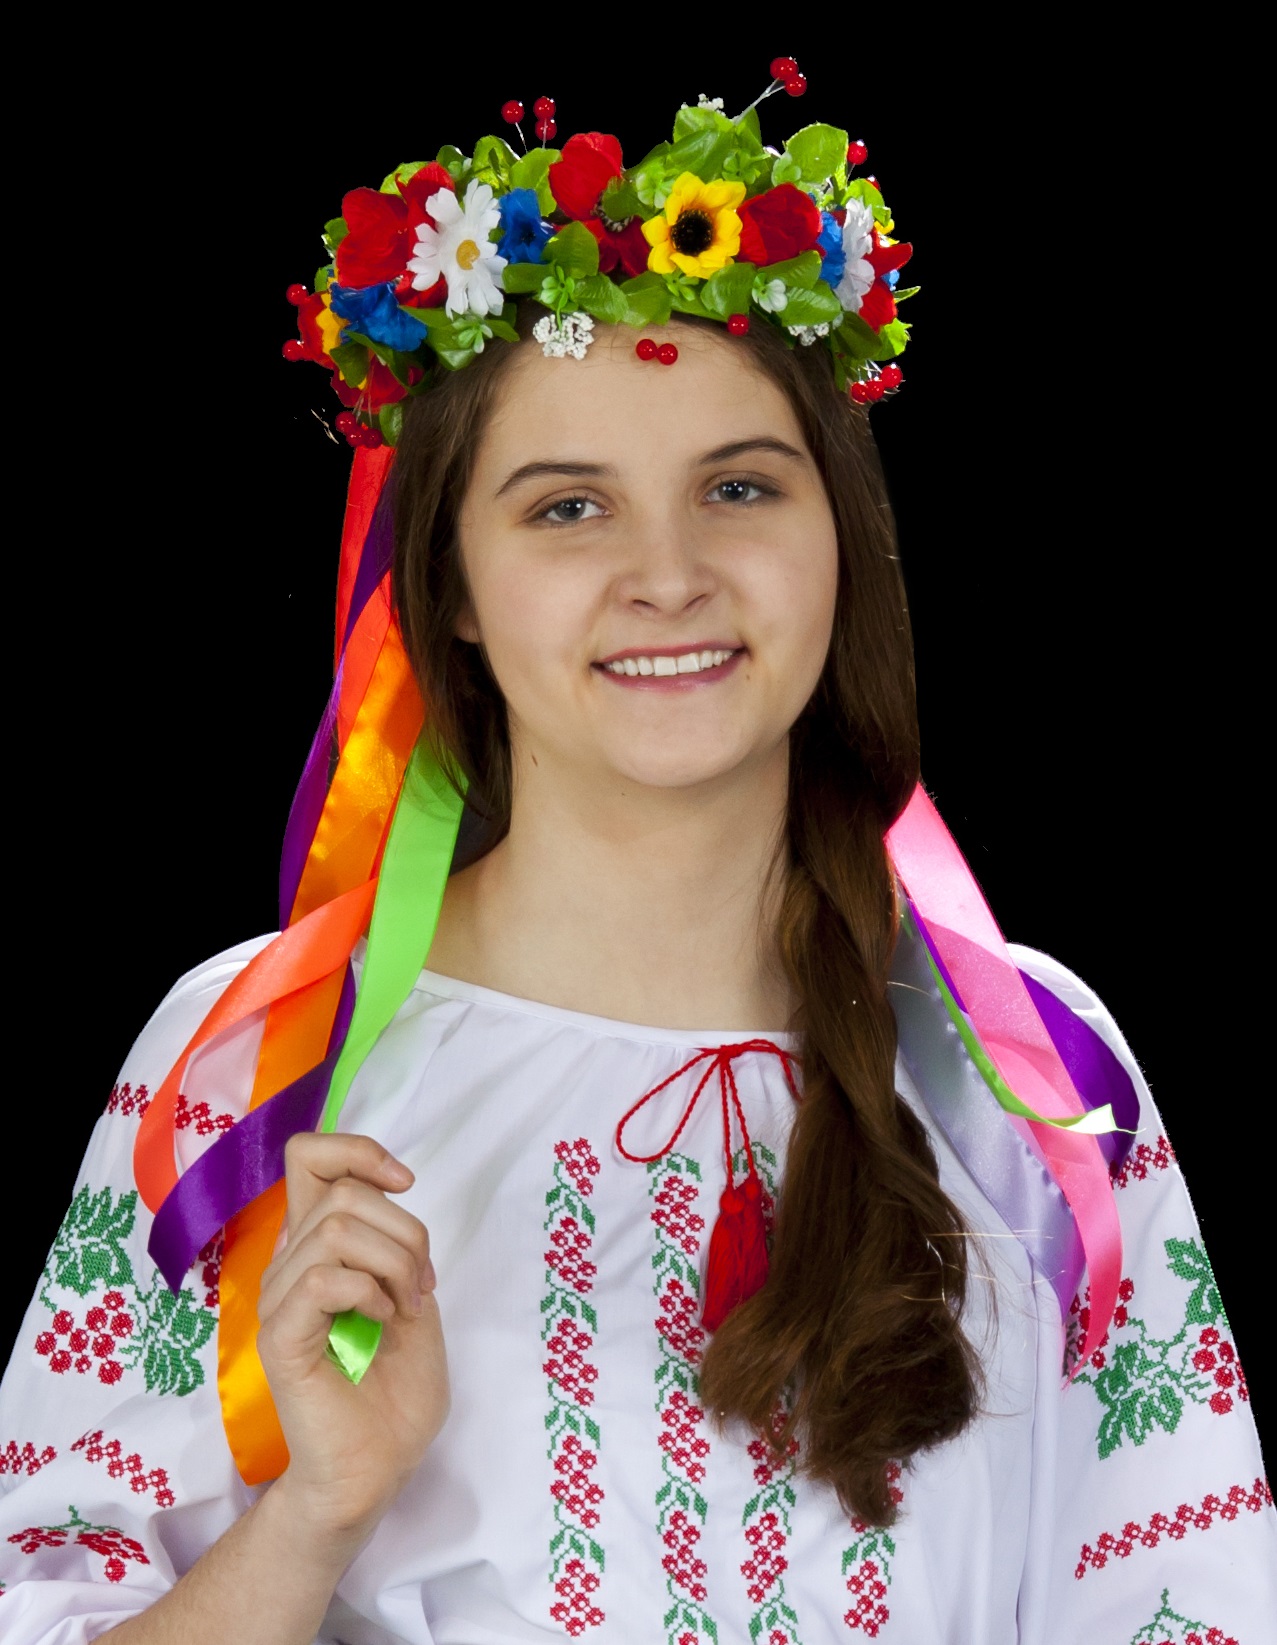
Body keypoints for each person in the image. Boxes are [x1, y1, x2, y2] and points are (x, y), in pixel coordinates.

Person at [2, 82, 1273, 1644]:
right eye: (567, 507)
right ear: (448, 585)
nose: (667, 575)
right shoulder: (257, 1065)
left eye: (738, 487)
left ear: (838, 533)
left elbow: (1188, 1602)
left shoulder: (1026, 1070)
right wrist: (314, 1509)